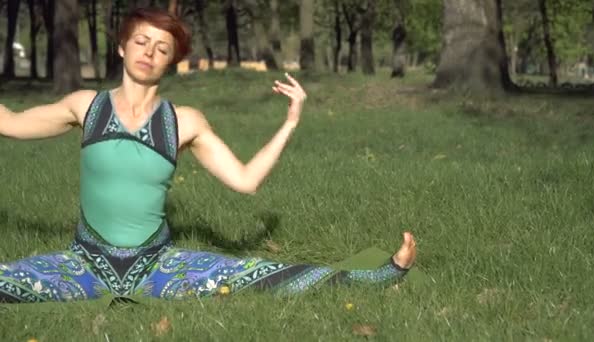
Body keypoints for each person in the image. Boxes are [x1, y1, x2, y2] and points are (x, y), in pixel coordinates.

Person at [0, 8, 416, 303]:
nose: (150, 52)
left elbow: (246, 181)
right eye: (141, 41)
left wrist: (290, 122)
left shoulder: (184, 122)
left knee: (260, 276)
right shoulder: (85, 106)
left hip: (158, 268)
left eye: (162, 48)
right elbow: (11, 122)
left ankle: (378, 275)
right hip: (83, 265)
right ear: (123, 49)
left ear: (172, 62)